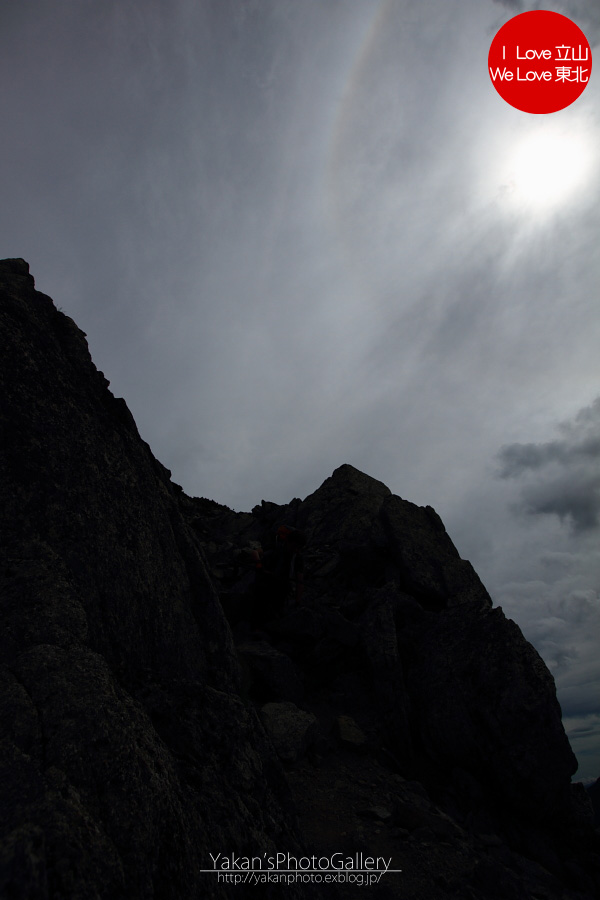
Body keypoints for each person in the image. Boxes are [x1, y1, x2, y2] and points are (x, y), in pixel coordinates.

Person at [250, 525, 305, 625]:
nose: (296, 550)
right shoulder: (275, 547)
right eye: (294, 546)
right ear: (288, 542)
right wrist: (258, 564)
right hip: (265, 582)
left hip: (282, 588)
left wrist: (297, 601)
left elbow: (300, 582)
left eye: (299, 548)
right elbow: (255, 552)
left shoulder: (298, 558)